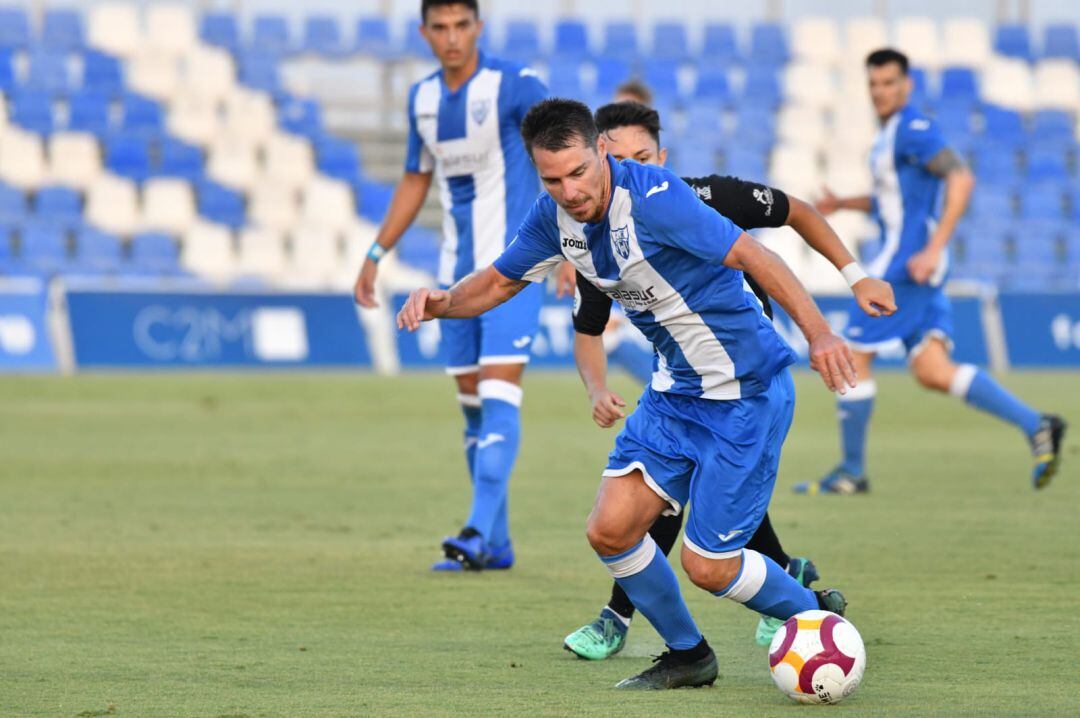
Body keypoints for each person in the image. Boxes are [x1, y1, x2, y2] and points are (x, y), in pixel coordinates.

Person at [397, 98, 855, 690]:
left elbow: (755, 254)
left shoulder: (656, 199)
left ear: (600, 152)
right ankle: (689, 656)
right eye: (552, 178)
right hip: (675, 395)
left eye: (579, 172)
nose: (568, 190)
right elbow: (499, 281)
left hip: (745, 394)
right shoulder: (553, 218)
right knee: (610, 529)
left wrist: (819, 334)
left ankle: (819, 625)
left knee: (708, 568)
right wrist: (443, 302)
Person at [560, 101, 896, 659]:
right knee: (665, 503)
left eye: (642, 157)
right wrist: (596, 390)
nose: (628, 171)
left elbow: (801, 213)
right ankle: (780, 583)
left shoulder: (703, 197)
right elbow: (587, 328)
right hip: (683, 385)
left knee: (685, 513)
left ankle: (621, 616)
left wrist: (855, 277)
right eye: (615, 161)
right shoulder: (600, 234)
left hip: (746, 380)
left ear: (661, 157)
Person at [797, 48, 1066, 494]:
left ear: (908, 85)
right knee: (933, 370)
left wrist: (932, 248)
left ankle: (851, 471)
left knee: (853, 354)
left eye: (889, 83)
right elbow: (893, 199)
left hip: (905, 268)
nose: (880, 91)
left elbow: (961, 178)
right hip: (916, 266)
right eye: (874, 84)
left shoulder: (913, 129)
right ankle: (1037, 424)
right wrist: (844, 203)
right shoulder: (890, 137)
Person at [353, 0, 548, 570]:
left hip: (513, 272)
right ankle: (497, 545)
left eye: (462, 25)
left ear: (478, 28)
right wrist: (376, 251)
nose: (452, 37)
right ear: (425, 33)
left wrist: (572, 246)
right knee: (471, 408)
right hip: (453, 279)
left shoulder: (514, 84)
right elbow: (415, 180)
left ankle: (474, 529)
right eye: (440, 27)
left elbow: (567, 146)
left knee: (498, 396)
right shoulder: (424, 99)